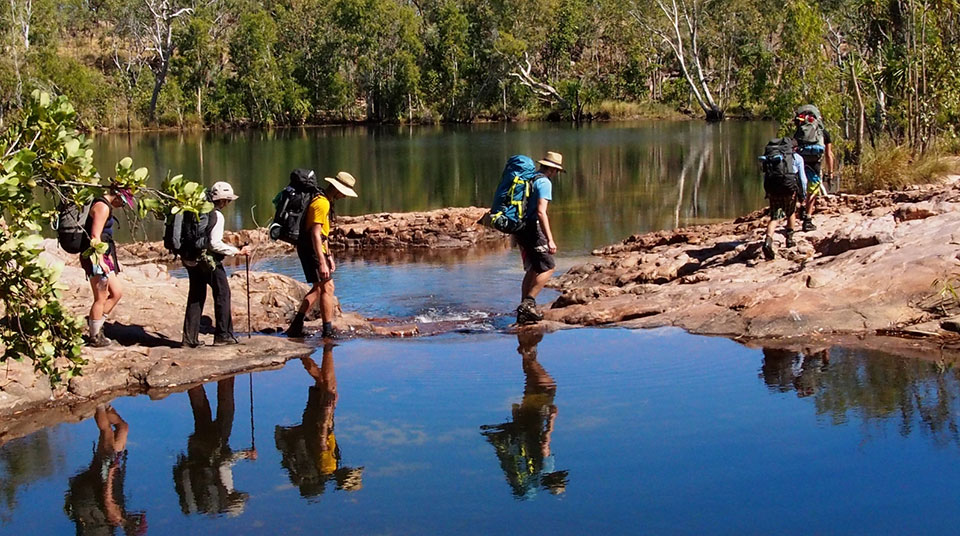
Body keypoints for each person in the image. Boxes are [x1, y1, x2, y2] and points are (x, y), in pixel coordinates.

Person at [480, 331, 568, 498]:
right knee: (531, 380)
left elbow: (544, 445)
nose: (559, 473)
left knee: (547, 386)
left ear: (553, 478)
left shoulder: (546, 468)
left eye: (559, 477)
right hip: (522, 423)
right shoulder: (531, 473)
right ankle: (526, 343)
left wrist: (552, 418)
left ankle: (526, 350)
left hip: (535, 419)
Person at [275, 343, 364, 496]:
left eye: (351, 472)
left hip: (319, 419)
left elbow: (322, 443)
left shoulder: (329, 467)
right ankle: (303, 354)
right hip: (313, 422)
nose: (351, 468)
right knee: (322, 382)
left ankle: (309, 352)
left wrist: (327, 410)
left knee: (327, 385)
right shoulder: (328, 470)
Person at [286, 171, 358, 339]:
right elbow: (315, 233)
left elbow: (322, 234)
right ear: (337, 189)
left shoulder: (323, 200)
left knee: (318, 288)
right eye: (344, 193)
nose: (344, 197)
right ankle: (327, 331)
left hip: (312, 248)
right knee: (328, 287)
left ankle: (296, 326)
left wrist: (329, 255)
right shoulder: (322, 203)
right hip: (312, 248)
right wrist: (322, 262)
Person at [181, 181, 252, 348]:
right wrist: (237, 252)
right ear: (223, 200)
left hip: (191, 258)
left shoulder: (196, 210)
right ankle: (223, 335)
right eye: (228, 200)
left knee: (196, 295)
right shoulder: (216, 215)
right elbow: (214, 244)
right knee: (222, 293)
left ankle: (189, 339)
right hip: (208, 260)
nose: (228, 204)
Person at [173, 378, 256, 517]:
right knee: (201, 413)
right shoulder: (213, 497)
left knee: (227, 408)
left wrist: (245, 454)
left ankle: (225, 377)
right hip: (196, 449)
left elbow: (224, 464)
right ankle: (193, 382)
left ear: (233, 499)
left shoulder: (225, 491)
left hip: (215, 446)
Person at [64, 405, 147, 535]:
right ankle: (107, 408)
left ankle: (100, 405)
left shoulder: (116, 517)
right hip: (94, 485)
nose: (135, 513)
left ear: (132, 521)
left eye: (136, 517)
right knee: (123, 428)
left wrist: (110, 471)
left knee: (106, 432)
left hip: (99, 480)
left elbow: (107, 498)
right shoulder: (119, 519)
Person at [81, 185, 135, 347]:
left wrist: (108, 257)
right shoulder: (102, 207)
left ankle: (97, 324)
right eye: (124, 201)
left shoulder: (106, 206)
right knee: (101, 297)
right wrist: (101, 261)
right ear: (117, 195)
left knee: (117, 293)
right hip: (95, 256)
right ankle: (95, 336)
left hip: (103, 254)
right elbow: (95, 236)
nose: (123, 205)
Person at [515, 152, 564, 325]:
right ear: (552, 169)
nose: (556, 174)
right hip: (532, 229)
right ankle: (528, 303)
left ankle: (523, 309)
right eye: (556, 171)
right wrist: (550, 239)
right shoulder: (544, 182)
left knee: (533, 268)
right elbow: (541, 212)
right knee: (548, 267)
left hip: (519, 228)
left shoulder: (530, 179)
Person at [762, 139, 807, 260]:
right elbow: (802, 179)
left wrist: (768, 192)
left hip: (774, 191)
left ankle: (768, 241)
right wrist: (803, 194)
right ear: (795, 148)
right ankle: (790, 239)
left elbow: (766, 176)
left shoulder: (773, 158)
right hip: (789, 191)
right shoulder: (797, 158)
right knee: (791, 213)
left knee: (775, 217)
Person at [793, 105, 835, 231]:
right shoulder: (823, 133)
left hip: (800, 163)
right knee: (813, 190)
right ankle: (808, 219)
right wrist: (830, 172)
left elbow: (792, 149)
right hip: (815, 163)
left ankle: (798, 210)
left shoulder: (799, 132)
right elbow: (828, 154)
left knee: (799, 189)